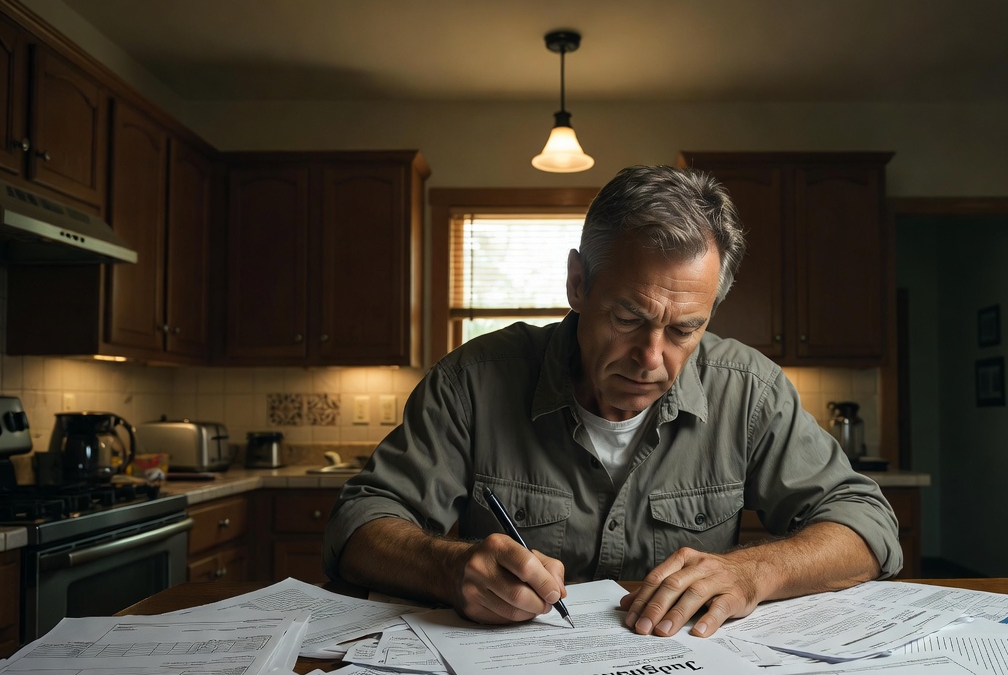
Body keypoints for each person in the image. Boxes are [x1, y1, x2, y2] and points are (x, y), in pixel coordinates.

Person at [324, 164, 901, 638]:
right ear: (578, 284)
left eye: (684, 330)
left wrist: (757, 570)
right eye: (628, 317)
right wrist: (449, 567)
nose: (651, 357)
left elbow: (867, 524)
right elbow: (359, 526)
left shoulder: (748, 389)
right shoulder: (472, 382)